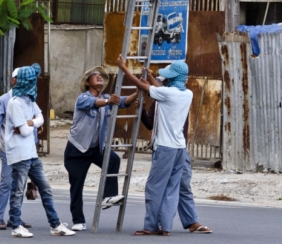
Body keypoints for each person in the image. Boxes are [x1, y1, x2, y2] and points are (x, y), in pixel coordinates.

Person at [116, 56, 193, 237]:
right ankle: (166, 227)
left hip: (165, 148)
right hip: (180, 148)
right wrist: (150, 78)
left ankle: (150, 226)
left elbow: (142, 86)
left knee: (154, 187)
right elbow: (158, 89)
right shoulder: (187, 94)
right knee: (172, 188)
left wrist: (124, 68)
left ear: (173, 78)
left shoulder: (167, 93)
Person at [64, 66, 138, 231]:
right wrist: (108, 102)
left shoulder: (106, 98)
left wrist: (137, 94)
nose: (99, 77)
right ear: (87, 82)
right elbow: (95, 103)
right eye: (95, 75)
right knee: (76, 185)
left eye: (101, 76)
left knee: (113, 159)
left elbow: (123, 101)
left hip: (96, 148)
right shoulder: (82, 98)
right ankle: (78, 220)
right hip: (77, 149)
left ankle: (108, 196)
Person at [6, 63, 74, 239]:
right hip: (20, 154)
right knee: (17, 191)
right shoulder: (15, 103)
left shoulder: (29, 101)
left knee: (46, 189)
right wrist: (31, 123)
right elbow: (25, 131)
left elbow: (41, 118)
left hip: (31, 154)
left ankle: (55, 224)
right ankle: (16, 226)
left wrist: (30, 122)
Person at [140, 70, 211, 234]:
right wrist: (142, 109)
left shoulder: (178, 96)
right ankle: (162, 224)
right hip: (166, 148)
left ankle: (191, 221)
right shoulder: (159, 100)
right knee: (164, 187)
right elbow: (149, 124)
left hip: (179, 148)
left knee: (182, 184)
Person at [0, 68, 32, 231]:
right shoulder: (3, 100)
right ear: (13, 80)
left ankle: (15, 218)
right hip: (8, 149)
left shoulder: (28, 100)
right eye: (19, 78)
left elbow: (33, 124)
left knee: (20, 185)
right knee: (6, 183)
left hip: (24, 150)